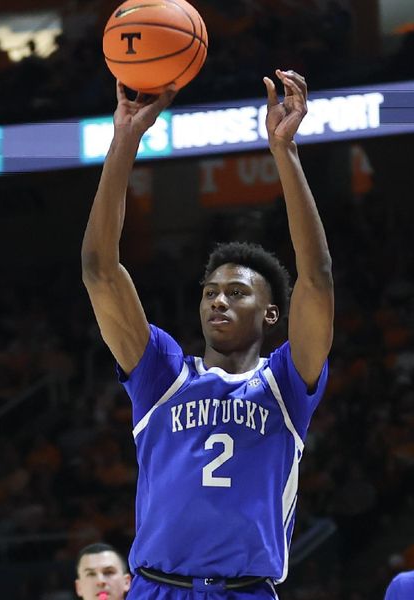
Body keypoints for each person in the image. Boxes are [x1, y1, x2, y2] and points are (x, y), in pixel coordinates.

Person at [81, 69, 333, 598]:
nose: (219, 298)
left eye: (238, 292)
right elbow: (100, 269)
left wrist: (284, 152)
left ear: (271, 316)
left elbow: (317, 279)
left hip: (245, 589)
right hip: (156, 587)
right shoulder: (162, 374)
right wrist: (124, 140)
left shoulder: (287, 384)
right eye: (210, 291)